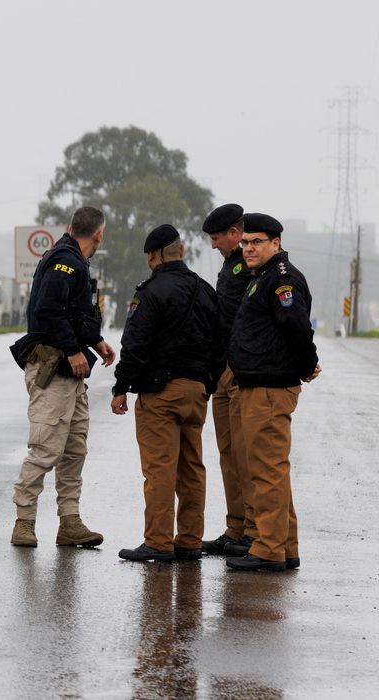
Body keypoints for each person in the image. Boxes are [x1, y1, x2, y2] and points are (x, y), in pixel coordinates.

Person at [110, 224, 222, 562]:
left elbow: (135, 344)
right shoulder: (205, 290)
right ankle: (189, 540)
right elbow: (221, 344)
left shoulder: (150, 291)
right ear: (182, 251)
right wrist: (208, 384)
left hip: (160, 393)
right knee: (192, 468)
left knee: (159, 468)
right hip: (197, 391)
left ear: (152, 256)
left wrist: (121, 387)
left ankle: (158, 541)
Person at [8, 206, 116, 548]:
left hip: (71, 373)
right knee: (45, 448)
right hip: (53, 366)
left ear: (72, 227)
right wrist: (72, 349)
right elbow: (48, 309)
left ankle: (70, 522)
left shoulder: (75, 261)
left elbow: (75, 313)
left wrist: (96, 342)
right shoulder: (64, 261)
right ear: (99, 234)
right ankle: (23, 522)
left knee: (74, 450)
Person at [225, 213, 321, 572]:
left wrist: (306, 364)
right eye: (245, 242)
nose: (248, 248)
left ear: (275, 244)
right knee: (272, 472)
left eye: (256, 242)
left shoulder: (281, 279)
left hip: (269, 387)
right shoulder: (262, 277)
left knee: (265, 472)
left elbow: (296, 326)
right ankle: (285, 546)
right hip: (258, 383)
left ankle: (267, 548)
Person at [199, 204, 258, 557]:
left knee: (246, 455)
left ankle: (253, 530)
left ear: (234, 233)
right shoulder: (229, 266)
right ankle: (236, 527)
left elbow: (247, 320)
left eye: (217, 237)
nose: (213, 245)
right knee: (228, 453)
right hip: (223, 370)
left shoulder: (249, 265)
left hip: (239, 369)